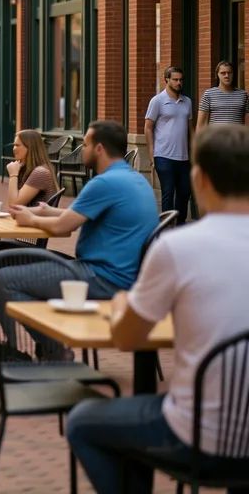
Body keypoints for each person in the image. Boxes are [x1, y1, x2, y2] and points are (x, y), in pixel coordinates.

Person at [66, 124, 249, 494]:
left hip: (200, 437)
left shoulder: (179, 247)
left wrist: (121, 304)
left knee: (84, 421)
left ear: (199, 180)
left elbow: (129, 338)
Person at [1, 120, 159, 357]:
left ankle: (53, 352)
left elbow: (62, 228)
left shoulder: (104, 182)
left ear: (99, 149)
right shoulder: (133, 179)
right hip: (125, 275)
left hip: (102, 276)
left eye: (85, 144)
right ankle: (48, 348)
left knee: (3, 278)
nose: (81, 150)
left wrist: (30, 220)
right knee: (22, 266)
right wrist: (48, 211)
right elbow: (75, 215)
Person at [146, 66, 193, 223]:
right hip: (163, 155)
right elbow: (148, 127)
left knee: (185, 192)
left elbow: (190, 130)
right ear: (166, 80)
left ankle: (179, 227)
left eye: (181, 80)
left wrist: (193, 152)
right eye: (175, 79)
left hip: (184, 157)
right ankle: (165, 230)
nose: (179, 82)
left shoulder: (187, 102)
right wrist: (152, 154)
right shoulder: (157, 101)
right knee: (168, 192)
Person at [4, 129, 60, 208]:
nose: (14, 149)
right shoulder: (25, 168)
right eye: (14, 145)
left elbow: (13, 206)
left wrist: (13, 175)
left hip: (39, 220)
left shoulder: (40, 172)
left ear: (30, 148)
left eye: (17, 145)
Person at [196, 59, 249, 131]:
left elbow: (247, 124)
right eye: (223, 73)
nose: (227, 75)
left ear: (233, 74)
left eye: (229, 73)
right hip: (215, 140)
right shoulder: (208, 94)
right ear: (217, 74)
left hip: (237, 140)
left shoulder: (243, 95)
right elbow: (200, 125)